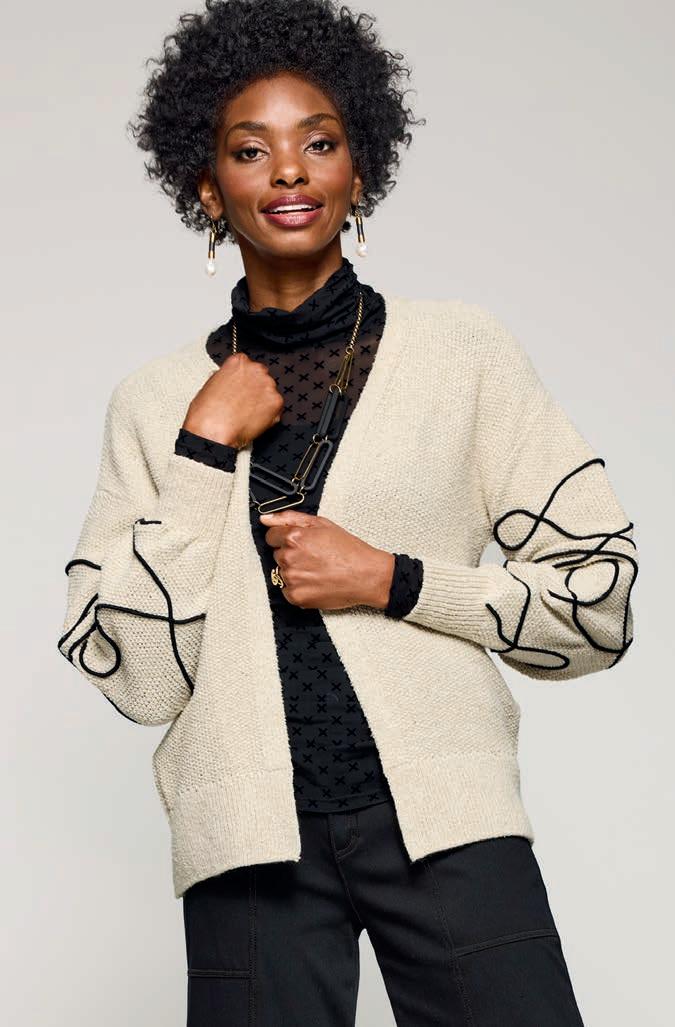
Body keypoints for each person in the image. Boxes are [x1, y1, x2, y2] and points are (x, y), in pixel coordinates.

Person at [56, 1, 638, 1024]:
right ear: (207, 187)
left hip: (448, 825)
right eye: (250, 150)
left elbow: (599, 605)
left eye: (319, 142)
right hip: (250, 849)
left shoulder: (461, 354)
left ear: (358, 171)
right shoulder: (154, 404)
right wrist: (203, 450)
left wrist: (394, 580)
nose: (289, 170)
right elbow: (140, 680)